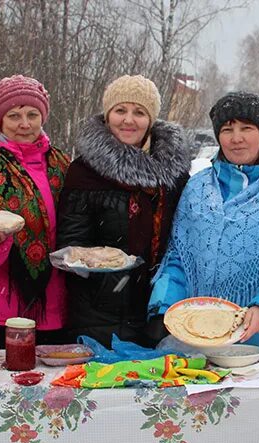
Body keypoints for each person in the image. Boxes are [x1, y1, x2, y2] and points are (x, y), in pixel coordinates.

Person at [149, 92, 259, 350]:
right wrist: (163, 308)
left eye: (247, 128)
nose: (236, 138)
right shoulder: (198, 187)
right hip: (198, 336)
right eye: (227, 129)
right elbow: (179, 258)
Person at [57, 75, 191, 348]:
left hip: (160, 305)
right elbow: (72, 243)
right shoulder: (84, 172)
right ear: (107, 116)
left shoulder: (173, 174)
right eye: (120, 110)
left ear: (151, 120)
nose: (129, 120)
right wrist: (102, 265)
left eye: (139, 112)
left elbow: (183, 239)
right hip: (99, 310)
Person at [0, 75, 70, 347]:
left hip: (54, 302)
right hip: (3, 305)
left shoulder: (62, 165)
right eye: (14, 115)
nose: (25, 124)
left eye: (32, 114)